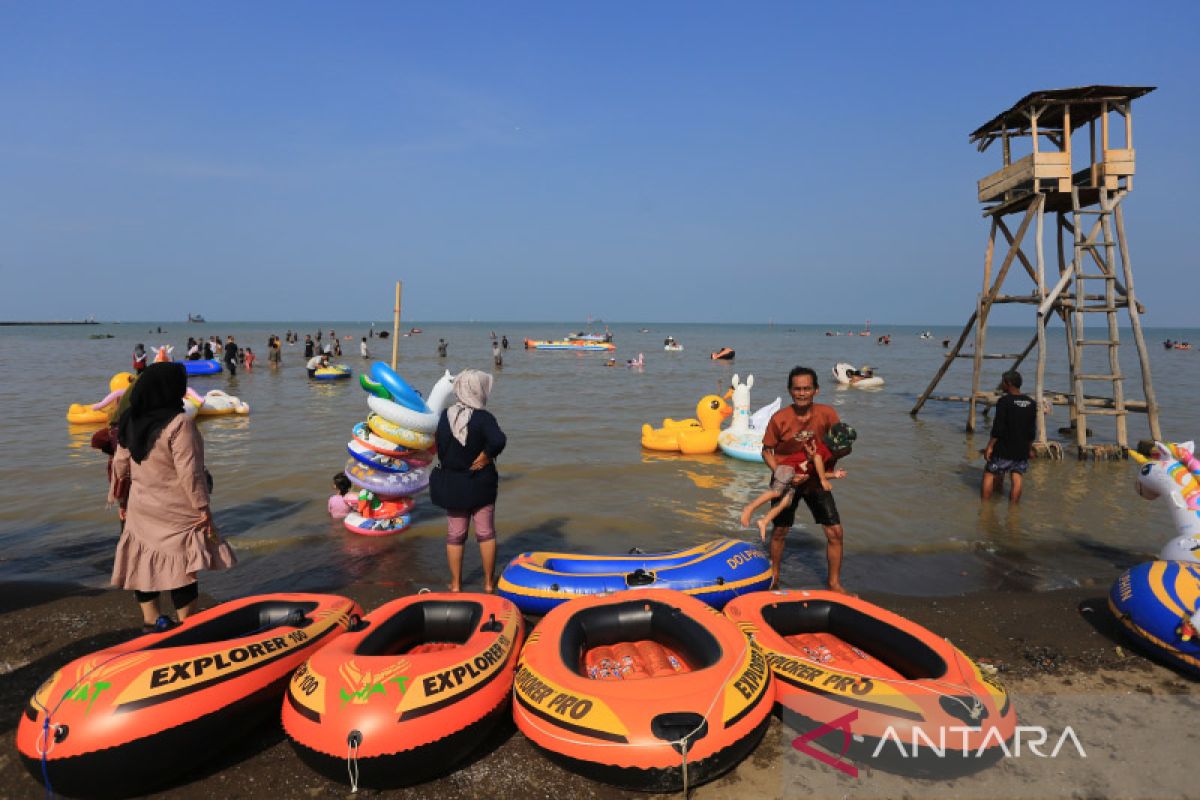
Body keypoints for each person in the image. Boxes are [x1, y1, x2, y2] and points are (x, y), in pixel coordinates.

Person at [109, 363, 235, 632]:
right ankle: (186, 627)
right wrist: (204, 510)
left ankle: (150, 622)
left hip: (141, 507)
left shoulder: (130, 420)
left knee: (142, 563)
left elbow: (120, 466)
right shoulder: (179, 424)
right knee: (182, 568)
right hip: (176, 508)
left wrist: (121, 502)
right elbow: (190, 474)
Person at [761, 366, 848, 593]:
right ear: (790, 391)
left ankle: (834, 583)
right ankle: (775, 577)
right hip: (786, 480)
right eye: (797, 389)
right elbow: (766, 451)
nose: (801, 393)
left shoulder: (827, 414)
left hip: (815, 480)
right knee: (780, 531)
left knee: (835, 532)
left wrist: (836, 456)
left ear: (816, 390)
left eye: (807, 388)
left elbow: (840, 445)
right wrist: (783, 473)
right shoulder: (779, 418)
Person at [429, 370, 507, 593]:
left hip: (453, 485)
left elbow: (439, 448)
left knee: (455, 535)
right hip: (481, 483)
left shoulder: (445, 416)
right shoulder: (483, 418)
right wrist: (486, 455)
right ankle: (489, 584)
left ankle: (455, 585)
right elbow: (498, 440)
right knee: (485, 533)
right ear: (478, 390)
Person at [742, 431, 843, 542]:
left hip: (795, 475)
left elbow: (821, 472)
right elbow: (817, 458)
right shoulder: (824, 449)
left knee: (786, 502)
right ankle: (749, 508)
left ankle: (764, 521)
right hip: (788, 467)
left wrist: (834, 474)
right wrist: (823, 480)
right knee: (776, 492)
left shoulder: (827, 454)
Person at [982, 370, 1037, 503]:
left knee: (989, 474)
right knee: (1017, 477)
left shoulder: (1004, 401)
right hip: (1021, 449)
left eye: (1003, 382)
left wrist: (989, 446)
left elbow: (998, 428)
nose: (1001, 384)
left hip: (1004, 448)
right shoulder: (1031, 403)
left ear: (1008, 383)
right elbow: (1031, 430)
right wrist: (1029, 449)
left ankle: (984, 508)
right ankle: (1014, 510)